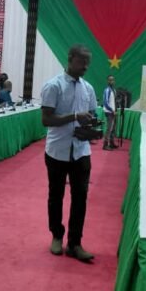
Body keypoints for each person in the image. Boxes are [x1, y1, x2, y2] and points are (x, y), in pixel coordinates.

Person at [41, 44, 97, 262]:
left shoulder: (88, 88)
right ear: (71, 58)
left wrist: (91, 128)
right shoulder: (53, 86)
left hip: (81, 152)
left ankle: (75, 243)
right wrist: (74, 117)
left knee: (80, 198)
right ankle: (56, 236)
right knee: (56, 196)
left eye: (88, 62)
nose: (86, 66)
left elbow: (90, 116)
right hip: (57, 151)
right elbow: (46, 119)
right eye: (82, 61)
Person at [102, 74, 117, 150]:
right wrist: (112, 110)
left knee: (113, 128)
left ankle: (111, 143)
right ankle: (105, 145)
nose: (112, 81)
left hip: (113, 111)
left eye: (113, 80)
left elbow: (114, 102)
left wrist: (115, 110)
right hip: (109, 112)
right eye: (110, 80)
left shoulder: (114, 90)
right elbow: (105, 102)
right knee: (109, 128)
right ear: (107, 81)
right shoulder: (107, 90)